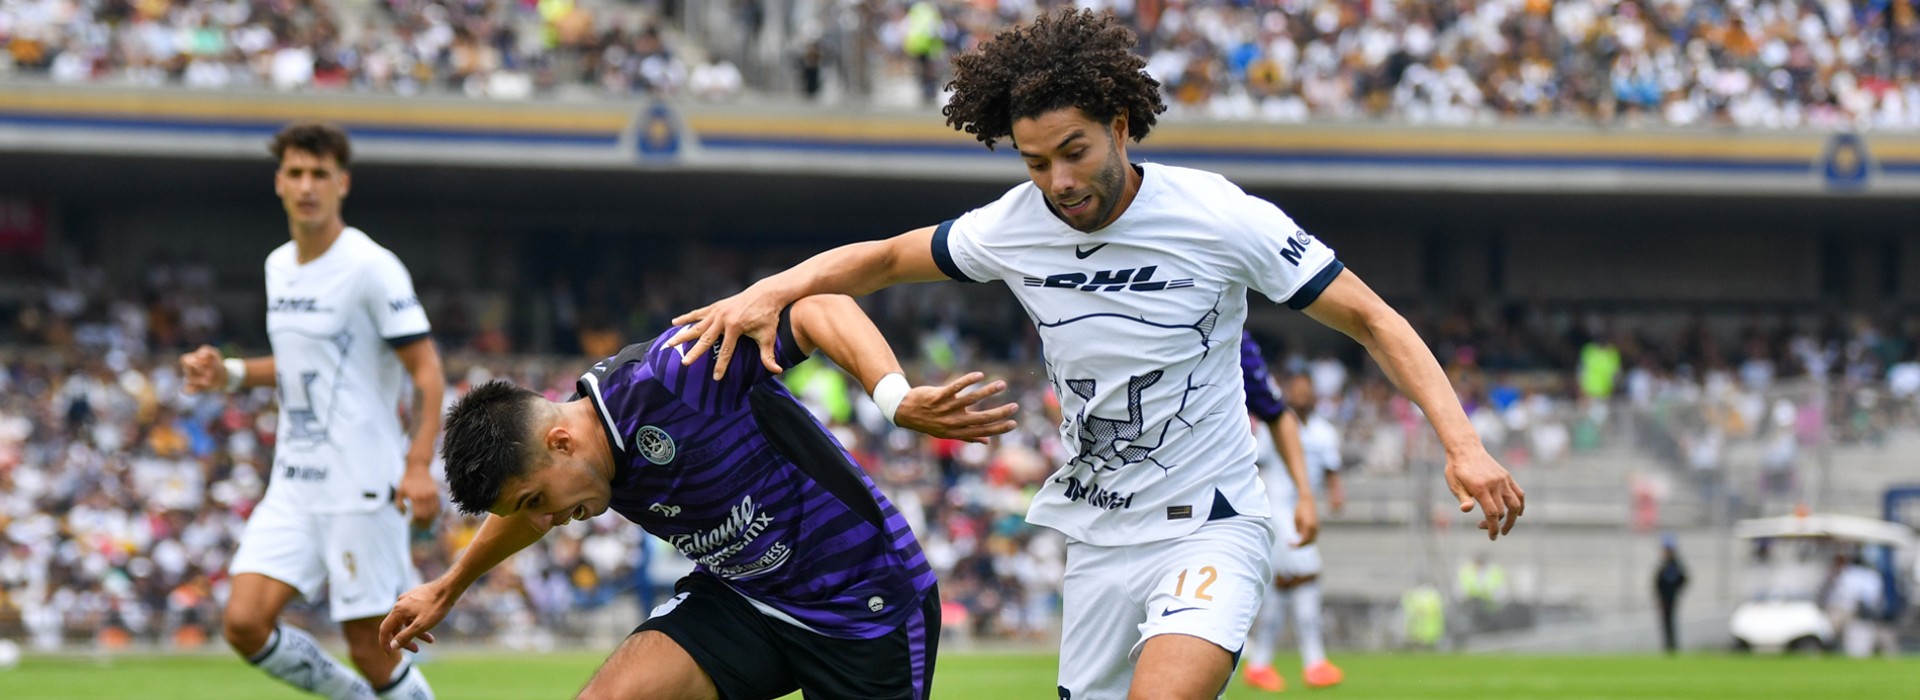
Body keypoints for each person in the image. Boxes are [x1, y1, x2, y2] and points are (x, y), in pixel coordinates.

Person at [667, 9, 1525, 697]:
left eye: (1074, 152)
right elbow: (887, 259)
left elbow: (1373, 319)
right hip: (1100, 538)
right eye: (1036, 163)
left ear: (1120, 126)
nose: (1059, 182)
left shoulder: (1221, 217)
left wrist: (1464, 444)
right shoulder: (1016, 223)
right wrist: (769, 292)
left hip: (1212, 523)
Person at [380, 294, 1017, 699]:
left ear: (562, 442)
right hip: (746, 600)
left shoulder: (672, 374)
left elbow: (821, 309)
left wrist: (895, 398)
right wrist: (449, 587)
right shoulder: (577, 463)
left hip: (862, 602)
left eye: (534, 499)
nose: (546, 520)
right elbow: (528, 515)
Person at [180, 122, 442, 700]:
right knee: (244, 622)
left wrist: (419, 463)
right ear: (278, 182)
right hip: (295, 481)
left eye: (319, 174)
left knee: (373, 648)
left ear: (341, 183)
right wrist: (228, 373)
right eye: (295, 173)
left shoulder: (371, 266)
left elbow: (426, 370)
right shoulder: (279, 265)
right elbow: (304, 361)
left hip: (362, 482)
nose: (306, 186)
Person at [1243, 371, 1347, 692]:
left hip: (1302, 511)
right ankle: (1314, 662)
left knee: (1282, 588)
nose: (1301, 395)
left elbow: (1331, 470)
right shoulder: (1275, 427)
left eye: (1306, 390)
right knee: (1308, 574)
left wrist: (1335, 494)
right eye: (1296, 390)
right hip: (1278, 511)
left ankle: (1260, 664)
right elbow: (1256, 464)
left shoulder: (1324, 432)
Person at [1654, 534, 1688, 654]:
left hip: (1670, 598)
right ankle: (1668, 645)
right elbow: (1657, 583)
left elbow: (1683, 579)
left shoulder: (1673, 565)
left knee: (1670, 622)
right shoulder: (1665, 565)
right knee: (1666, 623)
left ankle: (1671, 645)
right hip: (1665, 598)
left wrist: (1675, 591)